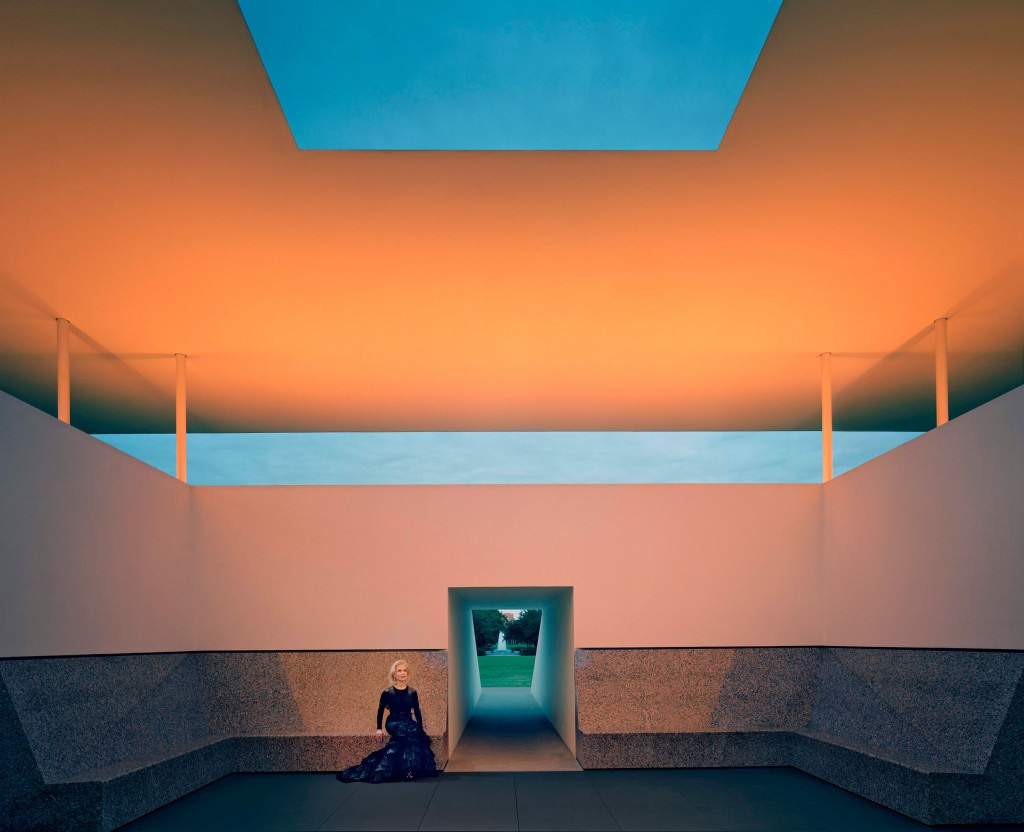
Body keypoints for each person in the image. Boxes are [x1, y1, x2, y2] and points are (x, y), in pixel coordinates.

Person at [336, 659, 438, 783]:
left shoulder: (413, 692)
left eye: (404, 670)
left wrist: (421, 729)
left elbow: (417, 711)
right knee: (406, 733)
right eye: (399, 670)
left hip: (408, 720)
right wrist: (379, 729)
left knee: (412, 733)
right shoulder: (388, 692)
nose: (402, 673)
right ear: (394, 674)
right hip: (393, 722)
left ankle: (408, 770)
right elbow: (380, 711)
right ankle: (403, 770)